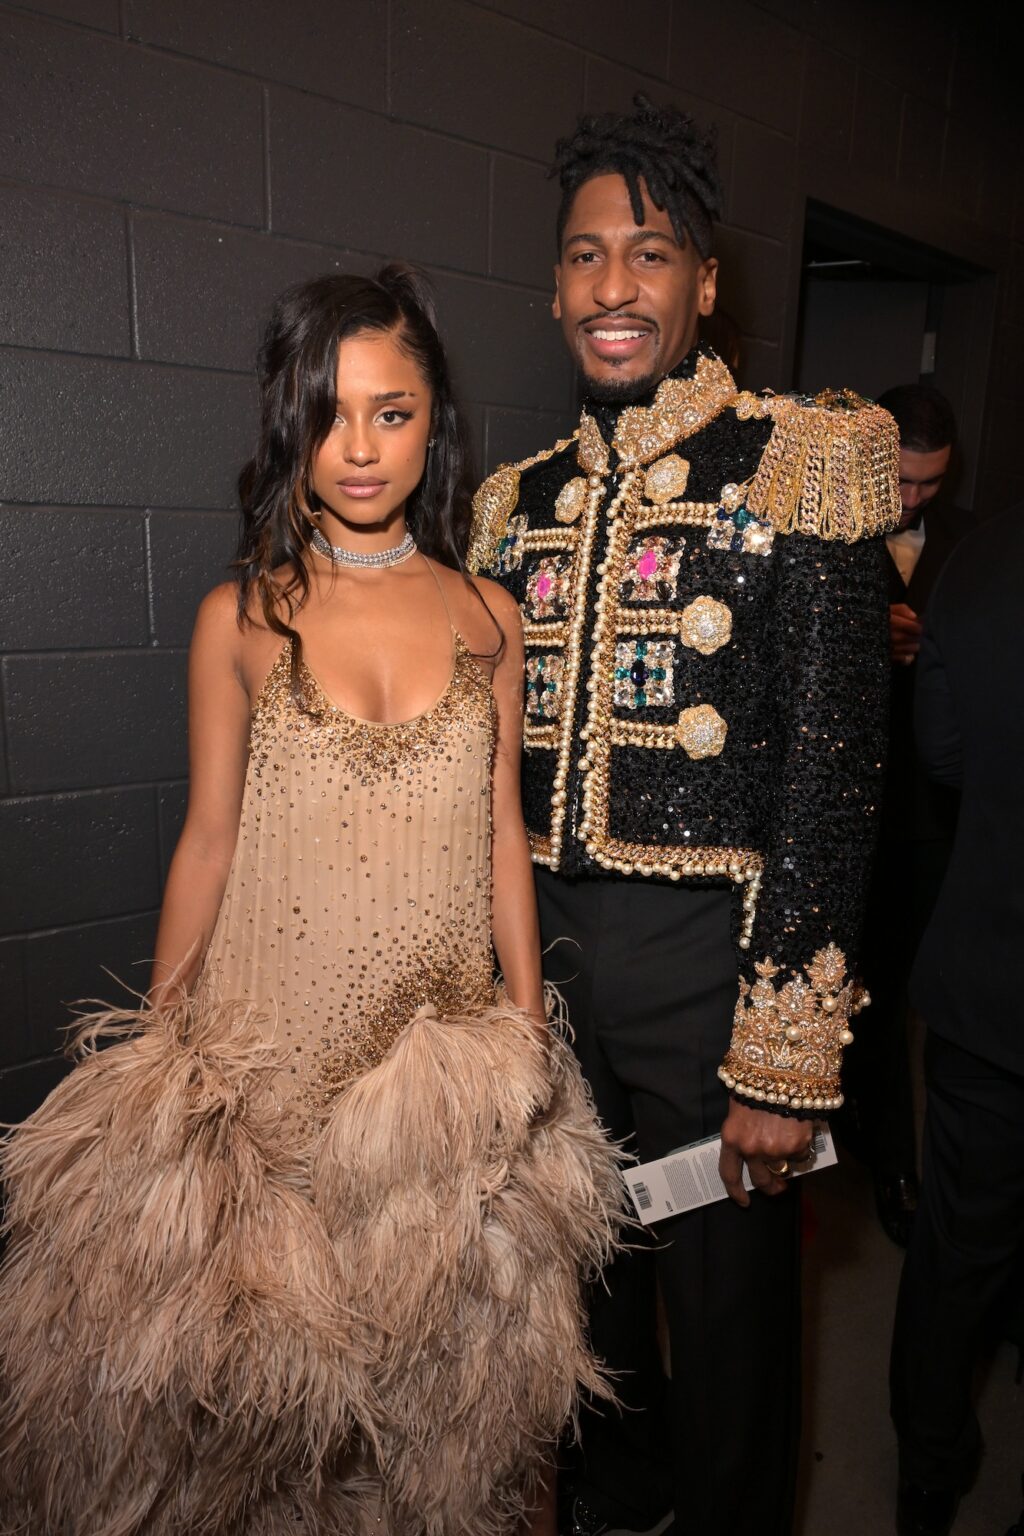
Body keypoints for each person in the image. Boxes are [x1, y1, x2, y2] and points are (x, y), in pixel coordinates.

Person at [0, 267, 623, 1536]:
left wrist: (525, 1030)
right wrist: (160, 1066)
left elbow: (506, 835)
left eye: (392, 414)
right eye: (331, 415)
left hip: (437, 1085)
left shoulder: (489, 617)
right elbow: (207, 842)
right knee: (262, 1437)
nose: (359, 448)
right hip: (271, 1070)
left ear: (432, 423)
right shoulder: (240, 616)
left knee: (439, 1425)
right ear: (291, 423)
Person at [468, 96, 899, 1536]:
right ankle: (619, 1506)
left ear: (704, 282)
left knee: (727, 1337)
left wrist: (783, 1060)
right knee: (579, 1303)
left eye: (649, 255)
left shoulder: (798, 461)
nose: (613, 287)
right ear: (554, 284)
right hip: (547, 978)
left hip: (709, 976)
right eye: (587, 257)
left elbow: (832, 785)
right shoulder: (508, 505)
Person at [889, 503, 1024, 1536]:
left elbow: (937, 750)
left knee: (953, 1255)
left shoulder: (980, 554)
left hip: (991, 981)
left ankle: (926, 1479)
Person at [842, 384, 978, 1245]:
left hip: (927, 816)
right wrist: (867, 636)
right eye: (903, 480)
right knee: (844, 991)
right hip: (841, 806)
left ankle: (898, 1163)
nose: (915, 499)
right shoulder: (829, 529)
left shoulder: (971, 544)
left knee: (905, 994)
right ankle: (860, 1152)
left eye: (931, 484)